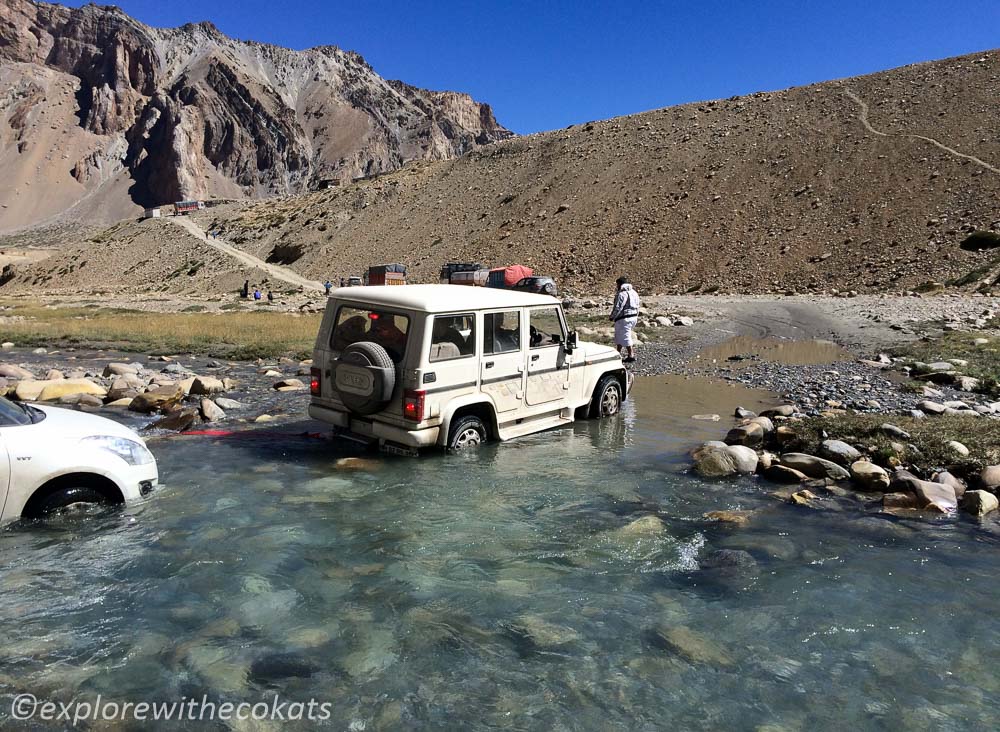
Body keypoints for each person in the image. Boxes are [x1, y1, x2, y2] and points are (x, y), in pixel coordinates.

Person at [609, 276, 640, 363]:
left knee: (625, 336)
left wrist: (612, 316)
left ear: (619, 284)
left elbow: (618, 307)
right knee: (620, 335)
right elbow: (638, 305)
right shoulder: (634, 292)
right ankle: (618, 353)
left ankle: (631, 355)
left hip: (624, 318)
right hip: (633, 317)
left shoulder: (621, 294)